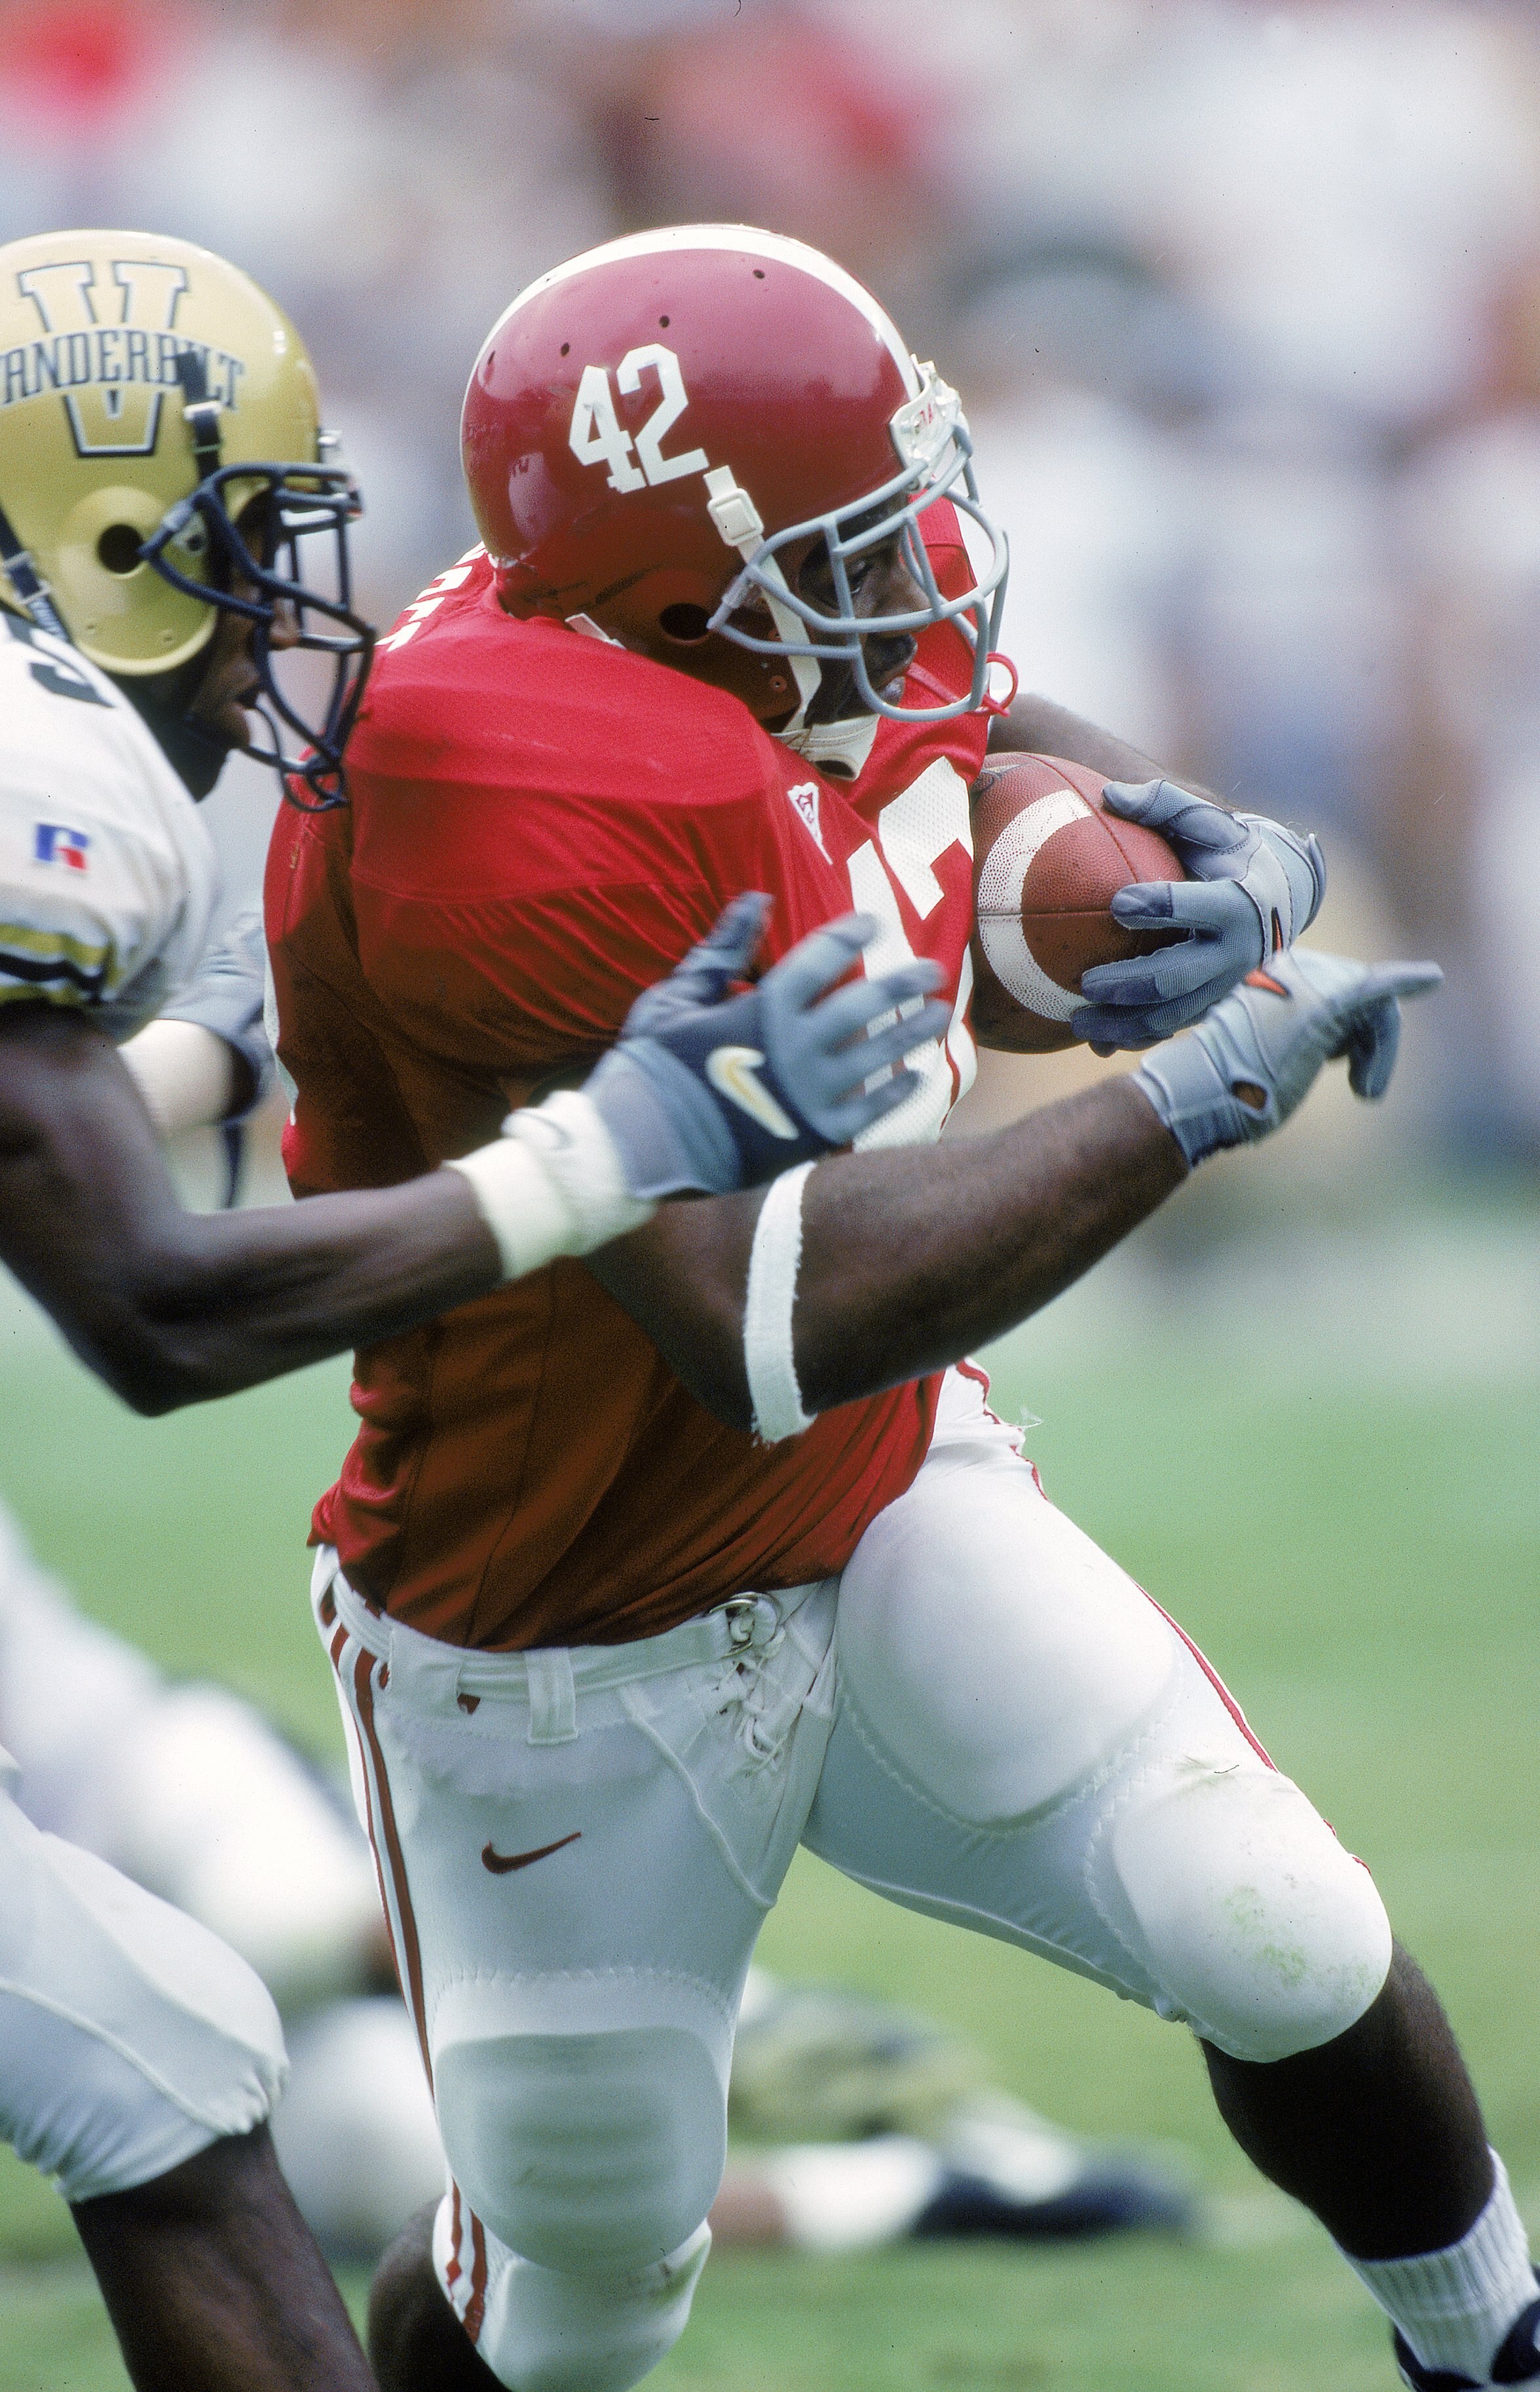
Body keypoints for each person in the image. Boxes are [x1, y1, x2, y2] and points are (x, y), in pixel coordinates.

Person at [260, 223, 1528, 2392]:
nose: (919, 569)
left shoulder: (722, 631)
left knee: (1271, 1914)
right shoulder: (487, 788)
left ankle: (1494, 2344)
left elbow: (963, 699)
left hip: (880, 1491)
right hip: (558, 1619)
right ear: (684, 603)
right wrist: (1185, 1100)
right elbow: (760, 1324)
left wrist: (1219, 841)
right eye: (850, 543)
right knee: (572, 2294)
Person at [0, 223, 935, 2392]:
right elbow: (146, 1309)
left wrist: (214, 1052)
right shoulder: (44, 767)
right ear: (105, 545)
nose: (277, 609)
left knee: (160, 2044)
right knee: (154, 2051)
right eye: (240, 545)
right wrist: (617, 1144)